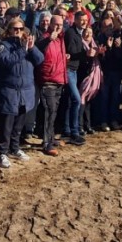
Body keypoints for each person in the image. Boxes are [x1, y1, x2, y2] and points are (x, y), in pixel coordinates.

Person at [0, 18, 44, 168]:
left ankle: (14, 148)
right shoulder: (4, 45)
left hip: (25, 91)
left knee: (19, 124)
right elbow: (7, 61)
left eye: (21, 28)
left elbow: (40, 59)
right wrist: (23, 49)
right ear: (9, 29)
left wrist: (32, 47)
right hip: (9, 91)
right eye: (15, 28)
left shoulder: (27, 46)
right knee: (6, 125)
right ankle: (2, 152)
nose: (18, 31)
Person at [35, 15, 67, 156]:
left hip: (59, 79)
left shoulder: (61, 39)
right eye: (56, 24)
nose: (58, 26)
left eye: (61, 24)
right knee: (49, 111)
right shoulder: (45, 37)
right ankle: (47, 143)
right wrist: (49, 39)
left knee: (53, 111)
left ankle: (51, 138)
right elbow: (37, 48)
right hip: (47, 80)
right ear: (50, 24)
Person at [62, 11, 88, 144]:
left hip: (74, 70)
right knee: (77, 100)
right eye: (81, 20)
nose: (84, 22)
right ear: (75, 20)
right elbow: (72, 53)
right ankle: (74, 132)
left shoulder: (78, 33)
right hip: (68, 70)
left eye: (86, 20)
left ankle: (67, 130)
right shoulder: (72, 33)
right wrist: (87, 53)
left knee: (70, 100)